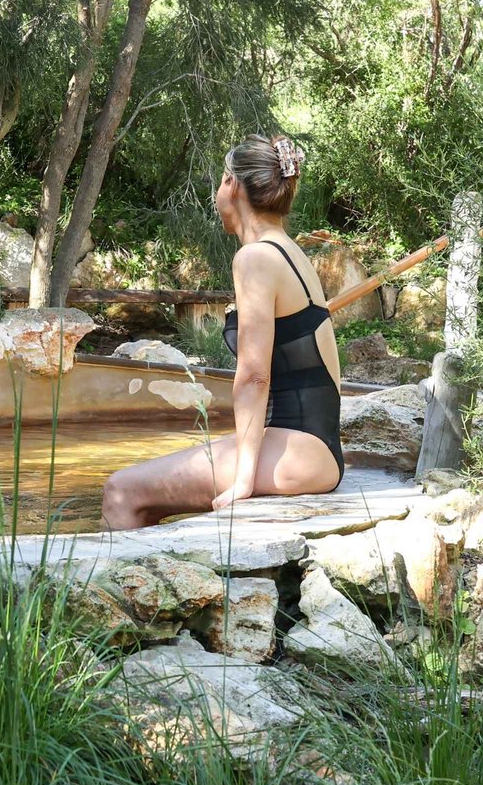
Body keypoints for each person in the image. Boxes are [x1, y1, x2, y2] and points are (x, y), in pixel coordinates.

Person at [101, 134, 343, 529]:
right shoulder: (287, 250)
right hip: (311, 447)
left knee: (121, 491)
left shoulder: (256, 258)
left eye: (221, 179)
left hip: (299, 452)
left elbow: (253, 376)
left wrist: (243, 478)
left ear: (232, 185)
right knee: (148, 499)